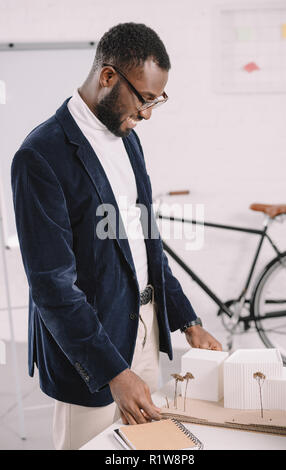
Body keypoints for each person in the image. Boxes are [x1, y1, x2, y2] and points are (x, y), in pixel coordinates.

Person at [11, 22, 222, 450]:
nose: (147, 113)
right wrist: (112, 370)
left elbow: (147, 242)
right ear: (108, 77)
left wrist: (186, 319)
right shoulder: (39, 157)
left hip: (143, 330)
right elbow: (52, 288)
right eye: (144, 99)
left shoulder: (128, 139)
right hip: (90, 353)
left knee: (147, 453)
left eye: (156, 102)